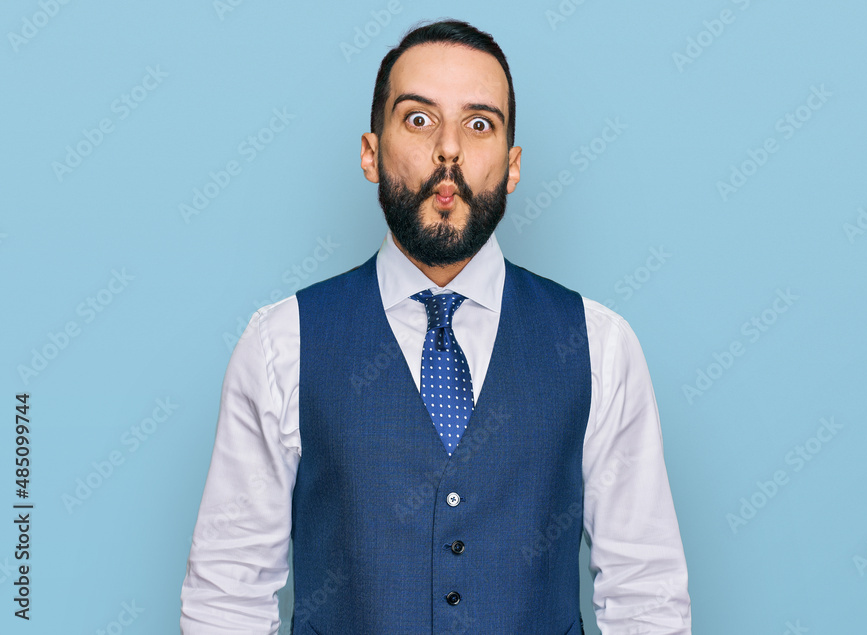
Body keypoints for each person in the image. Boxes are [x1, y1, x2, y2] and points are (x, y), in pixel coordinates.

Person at [180, 19, 690, 634]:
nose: (449, 150)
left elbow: (646, 593)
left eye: (480, 125)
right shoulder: (280, 344)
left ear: (512, 164)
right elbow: (226, 594)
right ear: (371, 152)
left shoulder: (598, 345)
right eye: (419, 119)